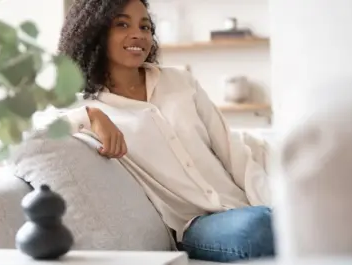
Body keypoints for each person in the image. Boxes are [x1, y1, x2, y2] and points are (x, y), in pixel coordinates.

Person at [57, 0, 274, 262]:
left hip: (245, 207)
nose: (138, 34)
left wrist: (274, 204)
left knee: (285, 218)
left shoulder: (180, 82)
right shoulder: (87, 106)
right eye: (122, 24)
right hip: (195, 226)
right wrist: (89, 116)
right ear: (95, 32)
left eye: (145, 26)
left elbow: (234, 153)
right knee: (258, 229)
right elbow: (24, 133)